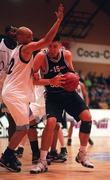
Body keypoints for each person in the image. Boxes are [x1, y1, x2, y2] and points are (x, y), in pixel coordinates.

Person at [0, 3, 64, 173]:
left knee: (29, 122)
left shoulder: (19, 51)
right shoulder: (26, 49)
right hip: (14, 94)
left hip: (16, 93)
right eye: (30, 36)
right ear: (24, 38)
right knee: (23, 128)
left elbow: (34, 81)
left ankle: (19, 153)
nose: (33, 38)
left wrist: (51, 81)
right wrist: (58, 21)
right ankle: (7, 155)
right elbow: (47, 41)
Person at [30, 34, 94, 174]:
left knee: (87, 118)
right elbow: (33, 81)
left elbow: (72, 72)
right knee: (51, 123)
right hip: (53, 95)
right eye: (50, 46)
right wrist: (50, 81)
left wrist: (74, 77)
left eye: (55, 46)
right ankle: (42, 161)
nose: (52, 49)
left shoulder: (67, 55)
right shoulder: (41, 57)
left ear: (60, 45)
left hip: (69, 94)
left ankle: (82, 154)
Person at [0, 25, 17, 141]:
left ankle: (10, 152)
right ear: (7, 32)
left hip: (9, 85)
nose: (15, 32)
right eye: (13, 30)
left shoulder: (18, 48)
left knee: (12, 118)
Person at [67, 81, 94, 146]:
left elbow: (86, 95)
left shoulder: (81, 84)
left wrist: (86, 105)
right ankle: (69, 139)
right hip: (72, 105)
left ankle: (87, 138)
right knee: (72, 123)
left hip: (80, 106)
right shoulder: (68, 82)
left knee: (85, 123)